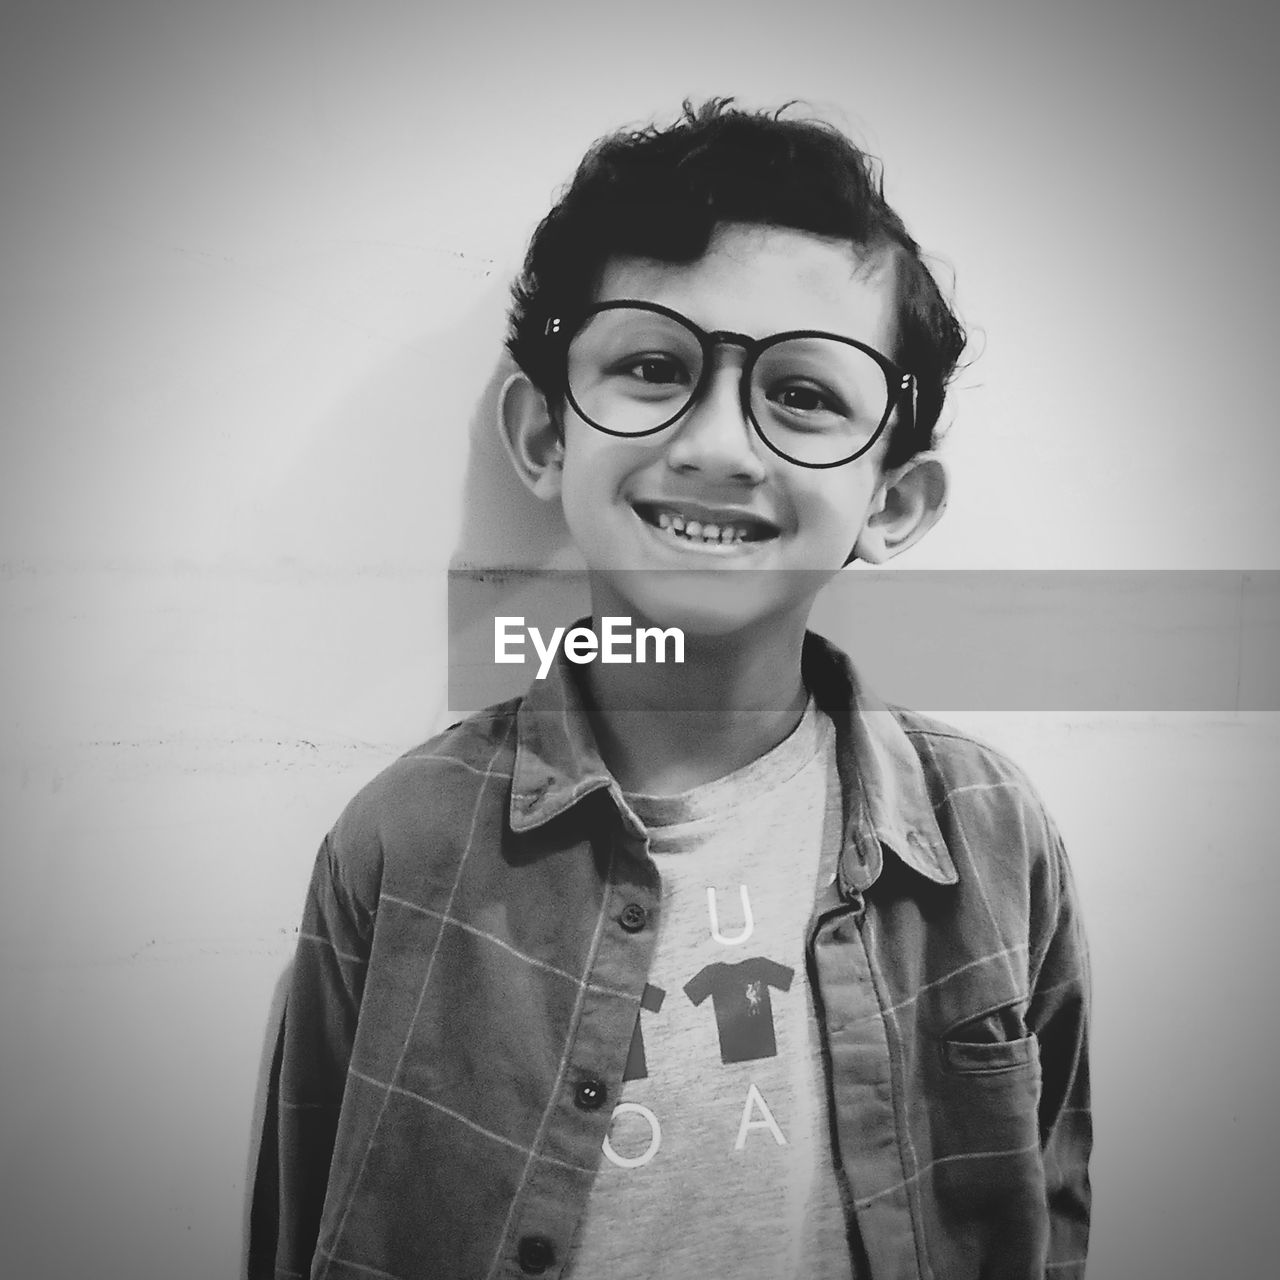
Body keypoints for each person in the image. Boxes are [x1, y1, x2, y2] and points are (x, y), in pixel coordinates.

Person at [249, 98, 1091, 1280]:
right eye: (652, 366)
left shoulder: (993, 835)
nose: (720, 444)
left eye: (803, 393)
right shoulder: (400, 843)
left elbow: (1045, 1213)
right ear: (545, 435)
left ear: (890, 503)